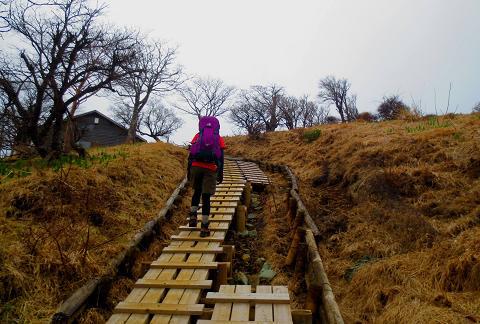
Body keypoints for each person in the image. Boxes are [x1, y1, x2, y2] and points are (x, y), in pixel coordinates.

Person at [187, 116, 225, 237]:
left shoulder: (197, 136)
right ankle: (204, 227)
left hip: (196, 167)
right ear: (217, 127)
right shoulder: (218, 138)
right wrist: (220, 174)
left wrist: (189, 172)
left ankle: (193, 217)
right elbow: (221, 158)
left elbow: (191, 154)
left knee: (196, 192)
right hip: (210, 168)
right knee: (206, 197)